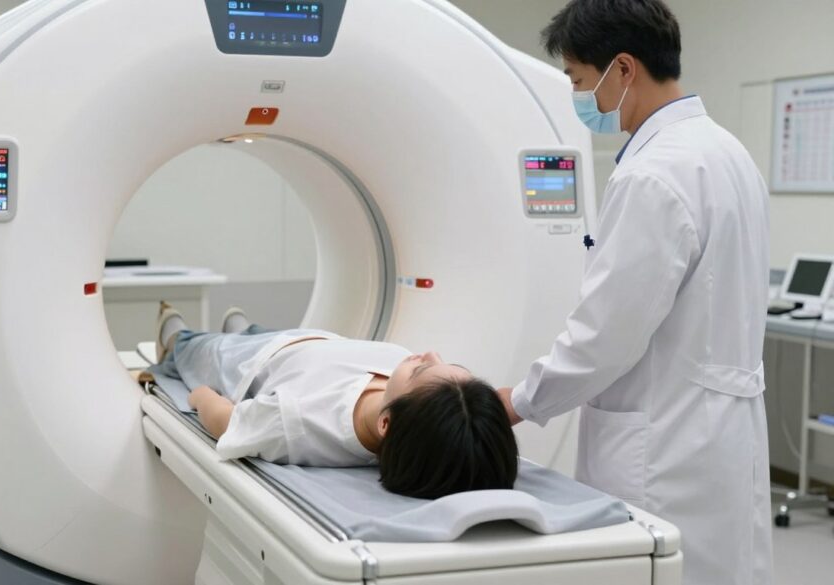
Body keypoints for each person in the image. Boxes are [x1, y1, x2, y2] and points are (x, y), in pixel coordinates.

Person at [496, 1, 772, 584]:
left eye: (578, 80)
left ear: (622, 69)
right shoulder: (728, 152)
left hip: (664, 445)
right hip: (721, 435)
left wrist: (519, 402)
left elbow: (605, 336)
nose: (579, 97)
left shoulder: (653, 174)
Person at [155, 304, 519, 499]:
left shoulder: (299, 422)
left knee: (194, 348)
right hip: (311, 341)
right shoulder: (423, 403)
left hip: (251, 362)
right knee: (252, 331)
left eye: (422, 369)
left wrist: (200, 395)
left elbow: (228, 423)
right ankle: (243, 327)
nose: (430, 353)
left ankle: (173, 336)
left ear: (387, 423)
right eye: (448, 364)